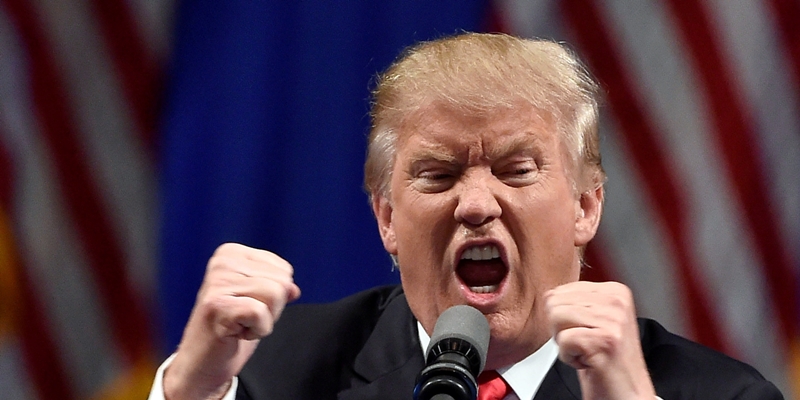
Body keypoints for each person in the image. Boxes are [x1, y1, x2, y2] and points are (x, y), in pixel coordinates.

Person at [149, 32, 783, 400]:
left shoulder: (718, 395)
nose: (477, 204)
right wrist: (192, 390)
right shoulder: (273, 374)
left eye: (516, 169)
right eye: (439, 175)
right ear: (387, 218)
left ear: (587, 206)